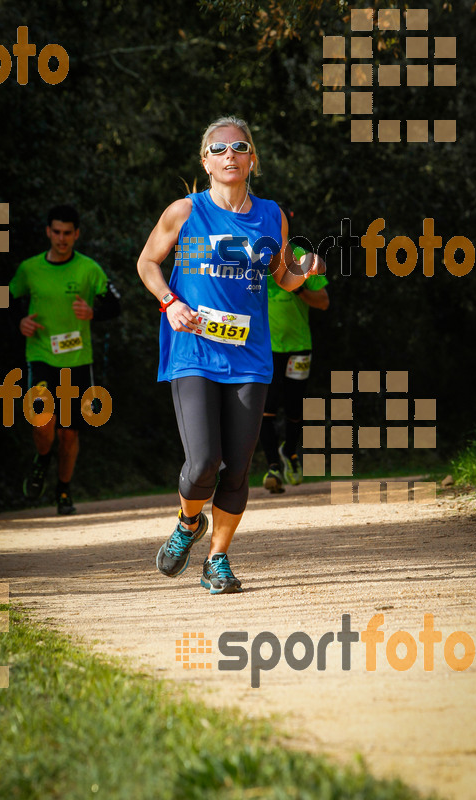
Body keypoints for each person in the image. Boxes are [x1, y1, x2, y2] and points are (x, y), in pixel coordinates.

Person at [137, 115, 324, 595]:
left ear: (252, 159)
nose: (229, 155)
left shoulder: (271, 214)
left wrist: (304, 269)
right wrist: (170, 302)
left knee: (237, 468)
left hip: (250, 356)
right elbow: (147, 262)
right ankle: (187, 523)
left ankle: (217, 560)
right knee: (203, 463)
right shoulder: (184, 211)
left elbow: (282, 277)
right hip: (194, 350)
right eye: (219, 149)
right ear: (205, 160)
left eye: (239, 147)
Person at [9, 205, 120, 515]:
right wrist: (19, 321)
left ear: (76, 234)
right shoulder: (29, 269)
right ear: (48, 232)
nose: (61, 238)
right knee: (42, 422)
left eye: (67, 233)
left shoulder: (89, 269)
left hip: (77, 360)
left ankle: (63, 491)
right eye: (56, 232)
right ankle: (43, 459)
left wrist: (93, 313)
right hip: (41, 356)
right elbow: (2, 296)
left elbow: (115, 304)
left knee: (69, 432)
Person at [261, 209, 329, 493]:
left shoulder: (301, 256)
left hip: (299, 346)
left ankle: (290, 453)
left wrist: (298, 287)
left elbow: (323, 302)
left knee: (294, 407)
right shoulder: (255, 257)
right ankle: (272, 468)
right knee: (265, 409)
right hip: (264, 348)